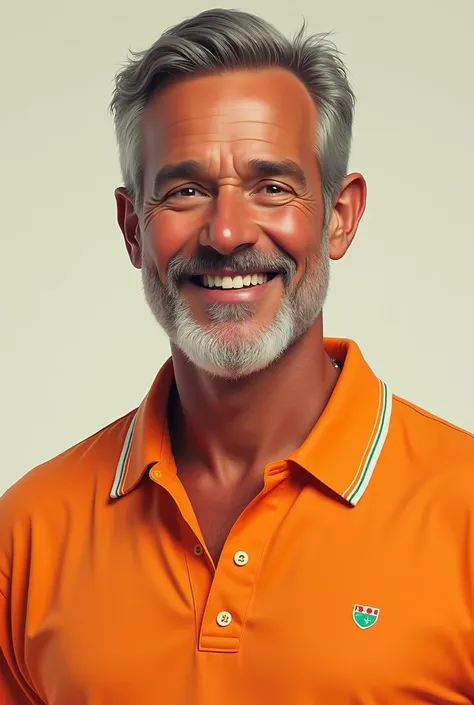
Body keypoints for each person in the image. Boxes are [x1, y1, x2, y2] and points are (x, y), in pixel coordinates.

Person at [1, 7, 473, 705]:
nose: (225, 232)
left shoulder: (464, 512)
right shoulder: (29, 532)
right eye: (186, 190)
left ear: (338, 216)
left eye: (272, 186)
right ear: (134, 229)